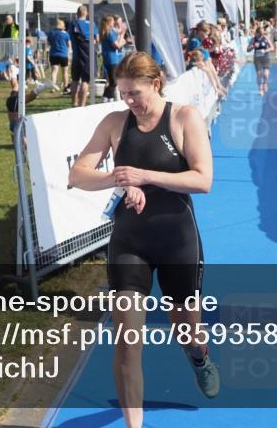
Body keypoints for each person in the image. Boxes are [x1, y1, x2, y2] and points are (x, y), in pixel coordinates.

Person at [68, 52, 219, 427]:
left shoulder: (183, 118)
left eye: (134, 93)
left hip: (177, 241)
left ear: (156, 84)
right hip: (129, 243)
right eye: (123, 93)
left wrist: (145, 177)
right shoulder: (115, 122)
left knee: (186, 330)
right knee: (127, 341)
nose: (128, 101)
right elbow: (78, 175)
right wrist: (117, 178)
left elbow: (203, 180)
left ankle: (198, 356)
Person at [69, 5, 97, 107]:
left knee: (75, 80)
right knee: (85, 81)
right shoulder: (91, 24)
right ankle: (82, 104)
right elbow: (96, 39)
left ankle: (74, 103)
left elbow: (71, 36)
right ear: (86, 13)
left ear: (77, 13)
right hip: (88, 57)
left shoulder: (73, 23)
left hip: (76, 56)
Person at [100, 15, 126, 101]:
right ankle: (106, 97)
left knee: (112, 81)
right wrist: (122, 36)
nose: (113, 22)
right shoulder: (109, 33)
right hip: (112, 59)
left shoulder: (106, 32)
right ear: (109, 23)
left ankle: (108, 98)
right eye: (112, 21)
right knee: (114, 82)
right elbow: (117, 45)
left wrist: (121, 33)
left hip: (108, 59)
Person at [247, 23, 273, 96]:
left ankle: (265, 83)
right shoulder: (253, 39)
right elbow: (248, 49)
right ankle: (260, 89)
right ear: (257, 33)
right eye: (260, 34)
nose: (261, 35)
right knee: (259, 74)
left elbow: (272, 48)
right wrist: (253, 46)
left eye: (262, 34)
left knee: (266, 74)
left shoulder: (266, 38)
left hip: (265, 57)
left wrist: (265, 50)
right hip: (257, 58)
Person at [47, 18, 71, 92]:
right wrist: (68, 54)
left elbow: (48, 43)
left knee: (54, 71)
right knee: (65, 72)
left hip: (54, 54)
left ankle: (53, 87)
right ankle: (65, 87)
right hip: (63, 54)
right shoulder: (66, 34)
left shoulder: (51, 33)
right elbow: (69, 45)